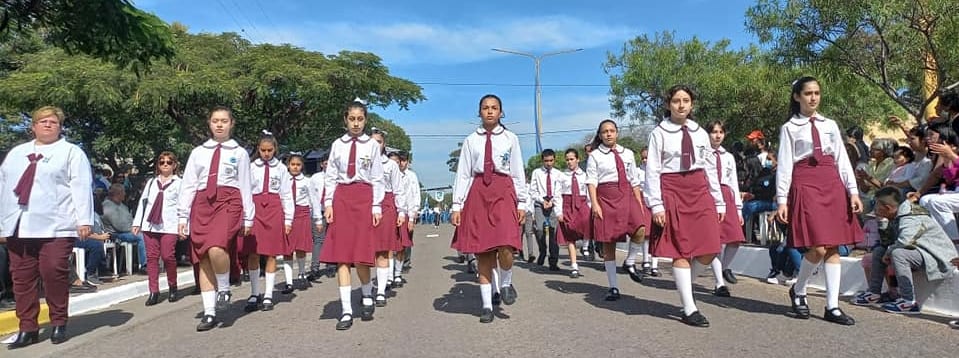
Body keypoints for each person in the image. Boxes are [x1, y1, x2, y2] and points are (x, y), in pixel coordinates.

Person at [0, 106, 94, 348]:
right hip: (19, 224)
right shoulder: (16, 153)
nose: (48, 125)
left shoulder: (71, 152)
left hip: (56, 224)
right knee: (22, 278)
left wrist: (84, 220)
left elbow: (81, 186)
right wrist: (3, 224)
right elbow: (4, 190)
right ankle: (27, 328)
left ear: (60, 127)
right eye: (42, 121)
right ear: (33, 127)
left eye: (53, 122)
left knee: (53, 272)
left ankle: (58, 322)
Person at [776, 76, 863, 326]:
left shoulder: (830, 124)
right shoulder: (789, 128)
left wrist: (852, 191)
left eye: (817, 93)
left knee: (834, 245)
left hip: (832, 182)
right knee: (818, 247)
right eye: (808, 93)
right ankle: (799, 289)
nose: (813, 97)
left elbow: (842, 159)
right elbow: (784, 165)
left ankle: (832, 306)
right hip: (805, 183)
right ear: (797, 97)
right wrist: (782, 199)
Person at [645, 86, 724, 327]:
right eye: (677, 101)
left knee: (711, 246)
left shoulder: (699, 132)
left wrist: (718, 199)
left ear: (692, 104)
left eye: (686, 100)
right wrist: (656, 205)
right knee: (680, 250)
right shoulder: (659, 133)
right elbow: (653, 169)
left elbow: (709, 166)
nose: (681, 105)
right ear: (669, 104)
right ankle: (689, 307)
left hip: (699, 189)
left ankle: (685, 284)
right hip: (672, 189)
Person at [450, 94, 527, 323]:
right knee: (482, 251)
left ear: (501, 112)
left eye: (494, 108)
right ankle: (486, 306)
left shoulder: (511, 138)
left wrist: (522, 201)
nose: (490, 111)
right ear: (479, 112)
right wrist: (457, 205)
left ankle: (505, 282)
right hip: (478, 192)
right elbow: (463, 173)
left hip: (503, 190)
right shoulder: (471, 140)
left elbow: (517, 171)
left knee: (506, 243)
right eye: (485, 108)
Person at [178, 106, 255, 331]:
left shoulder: (239, 153)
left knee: (216, 248)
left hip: (229, 201)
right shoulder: (198, 152)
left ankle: (224, 288)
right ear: (209, 124)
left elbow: (245, 186)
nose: (219, 124)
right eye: (215, 121)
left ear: (232, 124)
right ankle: (210, 312)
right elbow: (189, 185)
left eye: (224, 121)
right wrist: (183, 215)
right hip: (202, 203)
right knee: (203, 257)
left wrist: (248, 217)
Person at [320, 100, 385, 330]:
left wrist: (376, 206)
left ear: (365, 120)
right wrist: (328, 203)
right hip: (342, 198)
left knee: (360, 255)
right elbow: (331, 176)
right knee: (343, 256)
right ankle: (346, 310)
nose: (356, 123)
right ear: (345, 120)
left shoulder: (371, 146)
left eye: (360, 119)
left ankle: (367, 294)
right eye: (352, 119)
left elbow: (377, 178)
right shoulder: (338, 144)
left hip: (364, 197)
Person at [869, 187, 959, 314]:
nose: (875, 209)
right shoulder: (897, 214)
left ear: (888, 208)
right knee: (880, 250)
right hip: (921, 253)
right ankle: (874, 293)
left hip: (938, 257)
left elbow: (904, 241)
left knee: (897, 253)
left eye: (877, 205)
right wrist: (882, 223)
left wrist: (888, 252)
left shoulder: (910, 216)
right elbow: (887, 242)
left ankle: (908, 302)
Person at [587, 119, 649, 301]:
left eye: (612, 130)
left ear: (617, 133)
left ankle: (629, 262)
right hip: (606, 197)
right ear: (600, 135)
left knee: (640, 229)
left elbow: (635, 180)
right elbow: (591, 181)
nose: (608, 134)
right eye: (605, 131)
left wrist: (639, 202)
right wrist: (595, 204)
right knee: (609, 243)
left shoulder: (628, 153)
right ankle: (613, 286)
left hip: (627, 194)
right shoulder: (595, 156)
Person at [240, 131, 294, 313]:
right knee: (253, 253)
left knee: (271, 254)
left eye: (270, 150)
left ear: (275, 149)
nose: (266, 153)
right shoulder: (251, 167)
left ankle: (269, 294)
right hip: (255, 209)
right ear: (258, 149)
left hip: (274, 209)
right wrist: (245, 216)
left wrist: (288, 218)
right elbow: (245, 191)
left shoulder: (281, 169)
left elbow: (286, 194)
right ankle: (255, 293)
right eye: (263, 150)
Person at [132, 152, 183, 306]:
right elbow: (143, 202)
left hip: (169, 225)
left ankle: (172, 285)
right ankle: (154, 291)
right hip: (150, 225)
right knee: (152, 258)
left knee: (168, 256)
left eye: (169, 162)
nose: (165, 164)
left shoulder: (179, 183)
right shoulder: (151, 182)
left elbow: (183, 206)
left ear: (174, 165)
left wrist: (183, 225)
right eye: (162, 162)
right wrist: (137, 222)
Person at [705, 120, 744, 290]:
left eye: (720, 132)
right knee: (714, 242)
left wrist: (738, 207)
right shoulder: (703, 154)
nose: (717, 135)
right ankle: (719, 283)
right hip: (709, 197)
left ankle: (724, 267)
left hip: (727, 195)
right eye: (714, 132)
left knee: (735, 238)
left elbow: (733, 182)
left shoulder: (728, 157)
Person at [370, 129, 405, 306]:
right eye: (372, 141)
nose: (376, 145)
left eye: (379, 142)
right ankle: (367, 290)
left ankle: (381, 291)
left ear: (384, 144)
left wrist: (402, 212)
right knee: (366, 250)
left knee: (383, 250)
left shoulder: (390, 165)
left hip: (386, 205)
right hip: (365, 205)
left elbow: (398, 189)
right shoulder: (363, 163)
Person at [284, 152, 316, 289]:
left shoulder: (307, 181)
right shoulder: (284, 180)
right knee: (287, 249)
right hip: (287, 214)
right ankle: (288, 281)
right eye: (293, 164)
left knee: (301, 247)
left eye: (298, 165)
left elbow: (313, 199)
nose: (295, 167)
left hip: (302, 214)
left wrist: (317, 218)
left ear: (302, 166)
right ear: (288, 165)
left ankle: (302, 273)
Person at [556, 148, 589, 278]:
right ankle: (574, 265)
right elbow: (557, 194)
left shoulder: (585, 175)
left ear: (578, 159)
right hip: (567, 205)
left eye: (572, 159)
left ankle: (585, 247)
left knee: (587, 225)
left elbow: (589, 192)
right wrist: (559, 212)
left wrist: (591, 206)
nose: (569, 162)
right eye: (567, 159)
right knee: (569, 237)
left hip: (582, 204)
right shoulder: (562, 176)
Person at [101, 184, 148, 274]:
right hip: (116, 233)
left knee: (148, 234)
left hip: (127, 230)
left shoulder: (122, 206)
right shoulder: (108, 206)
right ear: (117, 194)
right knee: (141, 237)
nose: (125, 194)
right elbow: (119, 226)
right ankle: (144, 265)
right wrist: (134, 229)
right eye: (123, 192)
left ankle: (151, 262)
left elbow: (130, 220)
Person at [530, 149, 562, 270]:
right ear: (542, 160)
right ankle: (542, 251)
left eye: (551, 160)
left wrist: (552, 202)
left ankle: (553, 260)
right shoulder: (536, 173)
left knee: (554, 233)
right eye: (546, 161)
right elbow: (532, 190)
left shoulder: (558, 174)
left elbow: (559, 191)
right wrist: (541, 200)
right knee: (539, 230)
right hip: (540, 204)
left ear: (554, 160)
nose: (548, 163)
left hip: (553, 204)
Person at [395, 151, 420, 285]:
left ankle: (405, 262)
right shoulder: (394, 174)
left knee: (406, 240)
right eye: (401, 161)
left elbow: (416, 194)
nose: (402, 163)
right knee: (394, 241)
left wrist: (415, 211)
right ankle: (393, 270)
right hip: (396, 210)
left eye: (405, 161)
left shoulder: (412, 176)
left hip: (408, 211)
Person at [307, 153, 331, 279]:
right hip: (319, 211)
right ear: (322, 164)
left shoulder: (337, 178)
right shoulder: (315, 178)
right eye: (326, 163)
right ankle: (315, 268)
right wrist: (315, 214)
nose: (328, 165)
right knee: (318, 240)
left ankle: (331, 264)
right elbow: (312, 197)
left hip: (332, 211)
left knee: (332, 238)